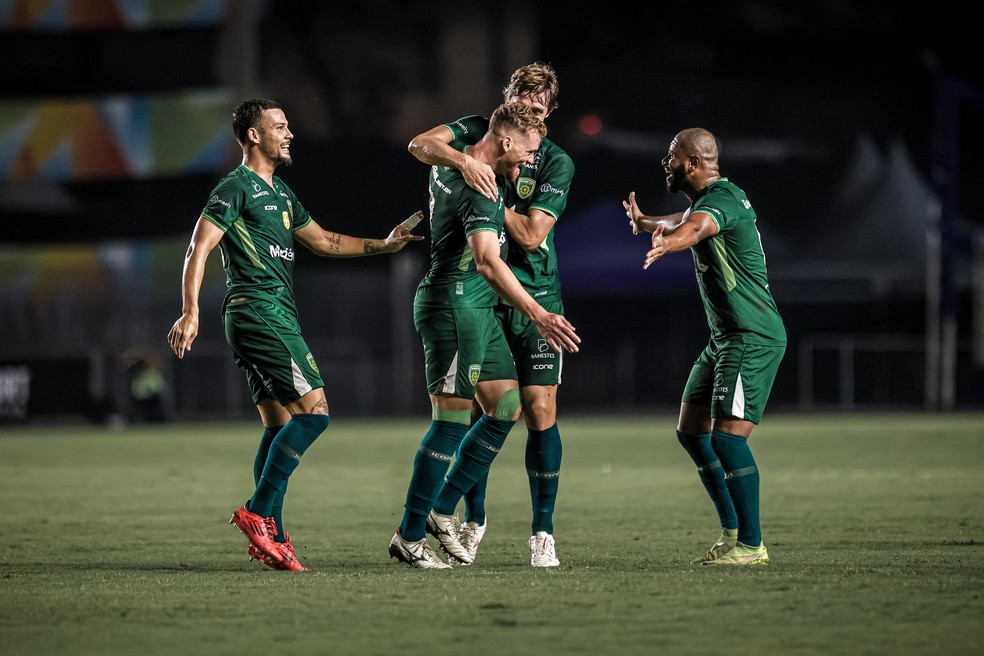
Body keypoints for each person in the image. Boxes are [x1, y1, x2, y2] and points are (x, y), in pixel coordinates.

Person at [166, 98, 422, 572]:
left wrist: (384, 244)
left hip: (265, 314)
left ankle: (276, 539)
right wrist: (190, 311)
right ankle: (258, 511)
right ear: (254, 135)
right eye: (279, 126)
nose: (289, 134)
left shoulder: (281, 194)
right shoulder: (235, 187)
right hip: (258, 310)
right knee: (315, 414)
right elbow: (198, 248)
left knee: (279, 425)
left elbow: (324, 241)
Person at [389, 102, 580, 569]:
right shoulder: (482, 187)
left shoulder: (451, 159)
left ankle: (441, 509)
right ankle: (410, 535)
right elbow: (488, 263)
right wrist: (538, 313)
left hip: (475, 307)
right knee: (449, 423)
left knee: (507, 404)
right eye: (528, 151)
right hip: (456, 305)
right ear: (506, 141)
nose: (531, 161)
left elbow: (425, 145)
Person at [622, 127, 785, 566]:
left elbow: (694, 229)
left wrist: (668, 243)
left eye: (672, 156)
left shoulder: (722, 202)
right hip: (725, 338)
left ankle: (752, 545)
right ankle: (732, 532)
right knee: (692, 432)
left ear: (692, 163)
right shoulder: (712, 199)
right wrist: (647, 223)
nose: (666, 162)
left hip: (750, 335)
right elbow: (684, 219)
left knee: (728, 440)